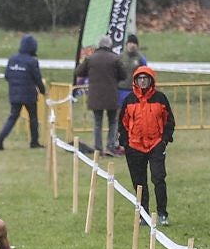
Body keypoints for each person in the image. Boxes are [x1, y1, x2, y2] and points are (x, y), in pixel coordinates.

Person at [117, 65, 176, 224]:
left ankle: (162, 213)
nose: (142, 81)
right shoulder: (129, 100)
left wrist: (164, 140)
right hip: (135, 146)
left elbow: (169, 121)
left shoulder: (160, 98)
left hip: (156, 144)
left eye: (145, 78)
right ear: (135, 81)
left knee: (158, 178)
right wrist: (125, 143)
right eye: (140, 79)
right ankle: (143, 215)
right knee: (139, 182)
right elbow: (122, 124)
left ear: (151, 80)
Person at [75, 35, 125, 156]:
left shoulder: (90, 59)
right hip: (111, 95)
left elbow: (78, 72)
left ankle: (98, 148)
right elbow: (123, 75)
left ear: (99, 45)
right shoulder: (115, 59)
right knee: (112, 122)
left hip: (95, 96)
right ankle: (111, 146)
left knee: (98, 123)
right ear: (109, 45)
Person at [0, 35, 45, 150]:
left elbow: (7, 75)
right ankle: (34, 142)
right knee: (33, 117)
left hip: (14, 94)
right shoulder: (32, 61)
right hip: (29, 95)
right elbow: (37, 79)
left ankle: (0, 138)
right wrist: (42, 91)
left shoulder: (12, 59)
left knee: (12, 117)